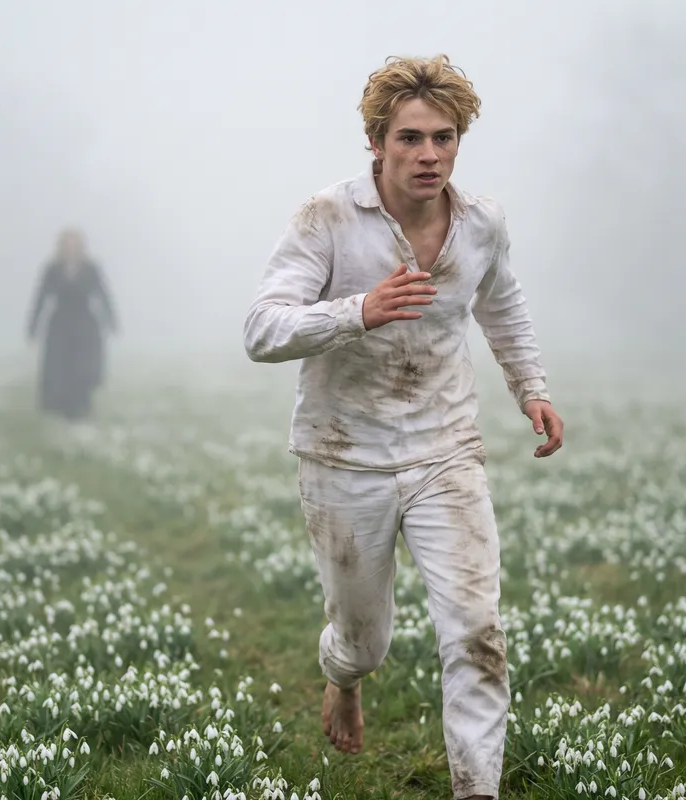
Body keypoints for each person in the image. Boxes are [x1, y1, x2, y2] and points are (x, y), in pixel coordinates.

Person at [242, 54, 564, 800]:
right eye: (411, 139)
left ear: (459, 142)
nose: (429, 155)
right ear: (378, 143)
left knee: (476, 631)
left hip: (447, 449)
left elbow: (502, 306)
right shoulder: (326, 218)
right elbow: (261, 330)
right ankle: (344, 676)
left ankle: (475, 789)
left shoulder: (482, 222)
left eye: (444, 138)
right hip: (344, 455)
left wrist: (532, 389)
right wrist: (358, 311)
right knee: (365, 638)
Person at [26, 228, 118, 421]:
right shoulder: (52, 269)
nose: (71, 248)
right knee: (60, 370)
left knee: (83, 369)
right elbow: (40, 297)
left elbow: (103, 295)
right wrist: (33, 326)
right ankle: (60, 408)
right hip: (60, 325)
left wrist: (111, 320)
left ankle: (81, 408)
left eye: (74, 244)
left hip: (85, 326)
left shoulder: (91, 269)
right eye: (67, 244)